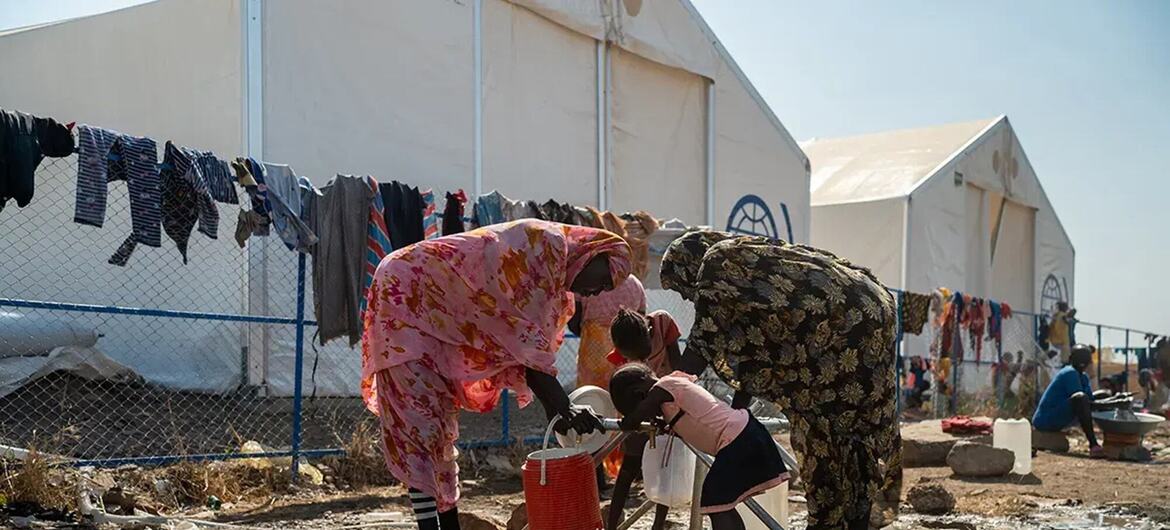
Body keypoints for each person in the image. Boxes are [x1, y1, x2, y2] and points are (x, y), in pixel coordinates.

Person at [361, 219, 631, 530]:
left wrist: (560, 411)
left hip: (440, 311)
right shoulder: (547, 249)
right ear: (591, 253)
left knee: (440, 428)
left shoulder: (556, 283)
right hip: (406, 291)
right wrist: (565, 407)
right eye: (603, 280)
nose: (596, 292)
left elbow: (530, 356)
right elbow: (529, 351)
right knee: (420, 427)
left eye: (606, 289)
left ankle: (448, 524)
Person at [659, 230, 901, 530]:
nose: (686, 296)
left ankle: (832, 520)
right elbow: (750, 356)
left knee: (824, 430)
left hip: (842, 322)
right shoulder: (744, 263)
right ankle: (852, 520)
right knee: (851, 430)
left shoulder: (715, 265)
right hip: (869, 305)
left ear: (688, 266)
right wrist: (739, 415)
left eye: (680, 285)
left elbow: (700, 347)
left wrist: (661, 388)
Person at [609, 364, 789, 530]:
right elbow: (693, 425)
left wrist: (626, 421)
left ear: (639, 394)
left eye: (637, 405)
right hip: (743, 436)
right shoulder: (670, 396)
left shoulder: (664, 386)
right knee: (721, 502)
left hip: (737, 439)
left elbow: (633, 420)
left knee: (715, 499)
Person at [603, 308, 685, 530]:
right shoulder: (622, 350)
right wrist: (633, 416)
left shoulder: (662, 324)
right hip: (639, 413)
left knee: (663, 469)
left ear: (647, 334)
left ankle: (658, 525)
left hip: (667, 408)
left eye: (642, 354)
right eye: (633, 358)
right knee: (628, 468)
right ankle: (612, 526)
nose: (642, 360)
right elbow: (624, 392)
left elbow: (679, 370)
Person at [1032, 344, 1131, 458]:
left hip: (1060, 416)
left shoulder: (1083, 377)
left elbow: (1091, 401)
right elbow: (1084, 403)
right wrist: (1115, 402)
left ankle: (1112, 440)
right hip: (1045, 420)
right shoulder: (1069, 373)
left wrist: (1116, 397)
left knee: (1103, 394)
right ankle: (1093, 444)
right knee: (1081, 398)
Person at [569, 274, 647, 390]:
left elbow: (573, 320)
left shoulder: (588, 280)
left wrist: (587, 333)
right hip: (627, 349)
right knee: (624, 390)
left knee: (591, 392)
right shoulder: (635, 284)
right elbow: (641, 321)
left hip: (593, 348)